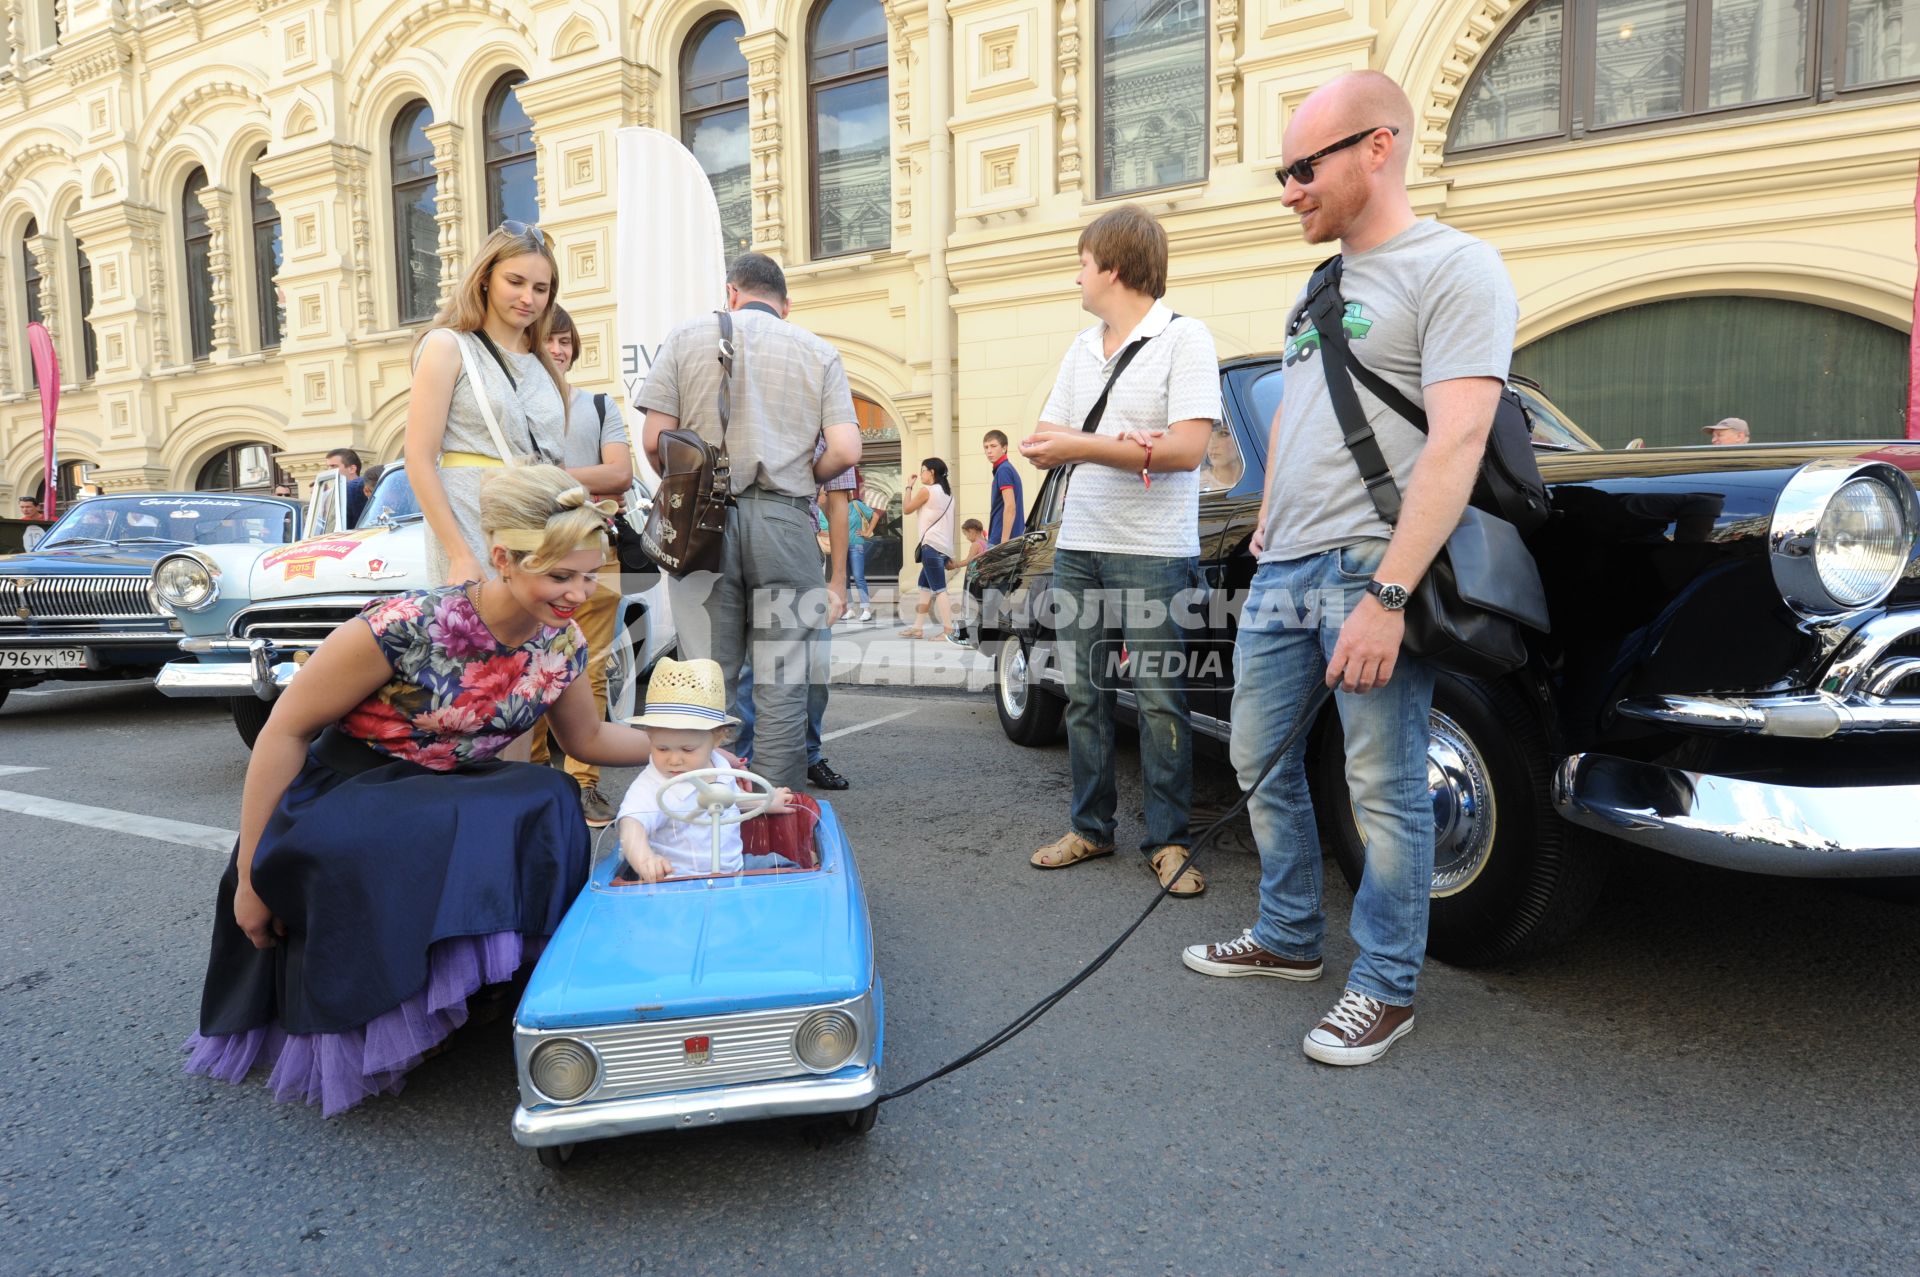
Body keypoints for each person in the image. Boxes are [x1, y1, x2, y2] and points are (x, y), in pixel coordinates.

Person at [1181, 71, 1518, 1067]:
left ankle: (1385, 985)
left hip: (1367, 566)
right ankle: (1288, 936)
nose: (1288, 188)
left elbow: (1457, 443)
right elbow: (1297, 407)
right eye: (1283, 171)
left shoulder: (1455, 267)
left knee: (1382, 785)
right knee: (1257, 760)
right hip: (1283, 564)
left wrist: (1387, 594)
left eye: (1303, 166)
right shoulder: (1317, 285)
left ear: (1379, 147)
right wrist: (1268, 517)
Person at [183, 465, 658, 1116]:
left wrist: (686, 743)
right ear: (503, 559)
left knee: (545, 795)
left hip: (437, 792)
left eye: (588, 574)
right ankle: (394, 1010)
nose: (578, 593)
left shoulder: (561, 642)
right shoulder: (410, 623)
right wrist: (249, 875)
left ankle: (488, 988)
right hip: (346, 793)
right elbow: (284, 731)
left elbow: (590, 740)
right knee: (448, 817)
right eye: (559, 575)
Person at [1018, 204, 1219, 897]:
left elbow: (1188, 449)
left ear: (1111, 266)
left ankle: (1168, 841)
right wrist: (1128, 447)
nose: (1076, 274)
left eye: (1081, 261)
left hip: (1155, 551)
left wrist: (1084, 446)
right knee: (1084, 694)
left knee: (1161, 698)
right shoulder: (1082, 347)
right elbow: (1048, 432)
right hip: (1081, 544)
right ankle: (1092, 828)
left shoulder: (1185, 339)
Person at [637, 252, 860, 791]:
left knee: (708, 680)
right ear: (784, 305)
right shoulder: (818, 351)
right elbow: (847, 450)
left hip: (701, 526)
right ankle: (773, 825)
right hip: (786, 522)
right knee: (783, 684)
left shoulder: (687, 337)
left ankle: (713, 819)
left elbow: (653, 442)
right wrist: (807, 470)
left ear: (731, 294)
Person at [404, 221, 570, 588]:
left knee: (538, 644)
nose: (529, 298)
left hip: (542, 533)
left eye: (540, 289)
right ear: (485, 277)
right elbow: (418, 458)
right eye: (515, 282)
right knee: (481, 640)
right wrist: (459, 554)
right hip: (474, 528)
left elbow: (555, 459)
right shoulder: (448, 346)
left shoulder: (543, 363)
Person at [526, 304, 635, 828]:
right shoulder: (513, 404)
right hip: (530, 553)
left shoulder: (596, 403)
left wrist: (547, 476)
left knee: (590, 666)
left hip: (597, 548)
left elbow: (620, 473)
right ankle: (528, 781)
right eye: (550, 339)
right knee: (523, 663)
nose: (560, 349)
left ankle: (583, 784)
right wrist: (583, 480)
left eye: (567, 340)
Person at [731, 439, 858, 790]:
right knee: (747, 669)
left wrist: (837, 578)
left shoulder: (831, 427)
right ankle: (742, 763)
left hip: (799, 549)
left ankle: (809, 754)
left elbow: (838, 504)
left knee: (814, 668)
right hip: (736, 541)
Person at [615, 657, 797, 882]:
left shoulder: (718, 764)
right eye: (661, 748)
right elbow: (631, 822)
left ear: (717, 739)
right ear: (649, 737)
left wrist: (766, 802)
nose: (674, 760)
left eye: (688, 749)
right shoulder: (652, 785)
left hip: (734, 868)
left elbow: (728, 798)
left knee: (787, 867)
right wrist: (644, 860)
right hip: (678, 880)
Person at [899, 458, 956, 639]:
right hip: (944, 547)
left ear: (931, 472)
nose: (921, 473)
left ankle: (948, 631)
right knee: (924, 585)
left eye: (923, 470)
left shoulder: (927, 491)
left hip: (931, 546)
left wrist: (909, 486)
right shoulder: (948, 494)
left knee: (939, 590)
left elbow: (907, 509)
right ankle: (918, 627)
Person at [983, 430, 1025, 546]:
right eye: (986, 447)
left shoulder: (1003, 470)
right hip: (1009, 539)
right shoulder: (1004, 469)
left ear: (1004, 448)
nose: (989, 451)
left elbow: (1010, 507)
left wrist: (1003, 543)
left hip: (1003, 540)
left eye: (993, 446)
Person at [845, 479, 877, 623]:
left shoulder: (856, 504)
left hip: (856, 545)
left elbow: (875, 515)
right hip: (841, 548)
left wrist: (867, 531)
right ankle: (850, 609)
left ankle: (866, 609)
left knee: (858, 577)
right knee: (844, 579)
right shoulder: (835, 508)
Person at [326, 448, 368, 525]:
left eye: (333, 466)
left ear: (352, 469)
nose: (329, 471)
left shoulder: (359, 489)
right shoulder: (334, 493)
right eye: (328, 467)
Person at [1199, 422, 1245, 490]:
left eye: (1224, 434)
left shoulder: (1260, 479)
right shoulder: (1196, 486)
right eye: (1208, 435)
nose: (1212, 444)